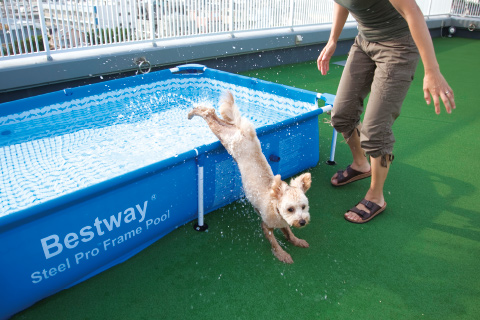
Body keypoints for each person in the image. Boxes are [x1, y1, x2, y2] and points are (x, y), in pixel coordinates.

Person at [317, 0, 456, 223]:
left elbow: (413, 11)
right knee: (342, 115)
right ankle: (360, 165)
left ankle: (376, 196)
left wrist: (432, 71)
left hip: (398, 46)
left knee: (375, 131)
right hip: (364, 42)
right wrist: (333, 40)